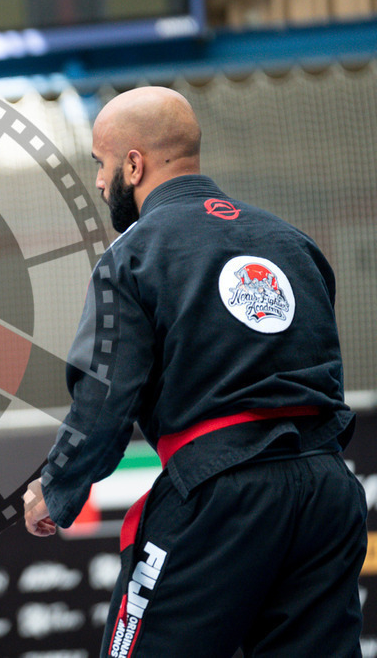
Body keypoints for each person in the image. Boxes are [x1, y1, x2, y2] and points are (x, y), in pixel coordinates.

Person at [23, 86, 366, 656]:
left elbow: (105, 397)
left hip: (220, 493)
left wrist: (57, 487)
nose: (102, 183)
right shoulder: (292, 242)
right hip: (327, 491)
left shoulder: (134, 255)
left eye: (101, 165)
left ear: (133, 164)